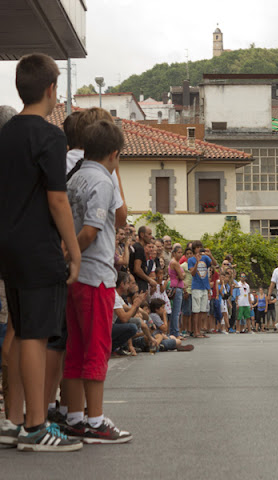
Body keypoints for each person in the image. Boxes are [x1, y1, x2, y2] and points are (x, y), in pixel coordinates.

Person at [0, 54, 83, 452]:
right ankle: (36, 426)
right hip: (37, 246)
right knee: (35, 334)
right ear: (52, 89)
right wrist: (74, 250)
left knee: (18, 331)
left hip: (8, 246)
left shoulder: (5, 133)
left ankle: (13, 420)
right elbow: (57, 200)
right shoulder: (51, 137)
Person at [61, 120, 132, 444]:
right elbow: (91, 231)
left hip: (75, 279)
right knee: (97, 349)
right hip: (95, 277)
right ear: (114, 154)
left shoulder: (75, 176)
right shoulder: (102, 181)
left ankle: (75, 417)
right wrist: (73, 254)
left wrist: (68, 257)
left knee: (75, 348)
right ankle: (96, 420)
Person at [188, 241, 215, 338]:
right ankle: (195, 331)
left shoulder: (205, 258)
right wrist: (197, 262)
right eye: (197, 247)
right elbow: (192, 273)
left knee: (203, 311)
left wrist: (210, 255)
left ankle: (200, 330)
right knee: (196, 311)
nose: (199, 249)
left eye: (200, 247)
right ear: (194, 249)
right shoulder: (191, 260)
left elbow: (215, 264)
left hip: (205, 286)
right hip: (196, 287)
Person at [168, 245, 185, 337]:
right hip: (176, 288)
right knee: (176, 312)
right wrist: (183, 274)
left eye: (181, 252)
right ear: (174, 253)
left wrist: (182, 275)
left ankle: (173, 331)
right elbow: (182, 276)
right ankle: (175, 332)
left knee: (175, 311)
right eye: (178, 252)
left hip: (177, 287)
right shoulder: (175, 263)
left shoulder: (174, 262)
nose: (180, 254)